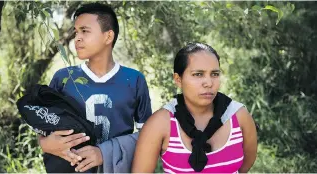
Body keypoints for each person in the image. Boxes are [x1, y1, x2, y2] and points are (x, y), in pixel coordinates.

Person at [38, 2, 152, 173]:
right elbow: (42, 127)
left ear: (108, 37)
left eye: (85, 31)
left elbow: (149, 138)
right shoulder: (63, 78)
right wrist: (46, 144)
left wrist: (104, 153)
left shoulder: (134, 80)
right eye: (76, 32)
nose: (77, 38)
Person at [132, 43, 257, 173]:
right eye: (198, 74)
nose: (208, 83)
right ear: (178, 79)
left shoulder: (239, 116)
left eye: (214, 74)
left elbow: (244, 166)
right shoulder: (160, 124)